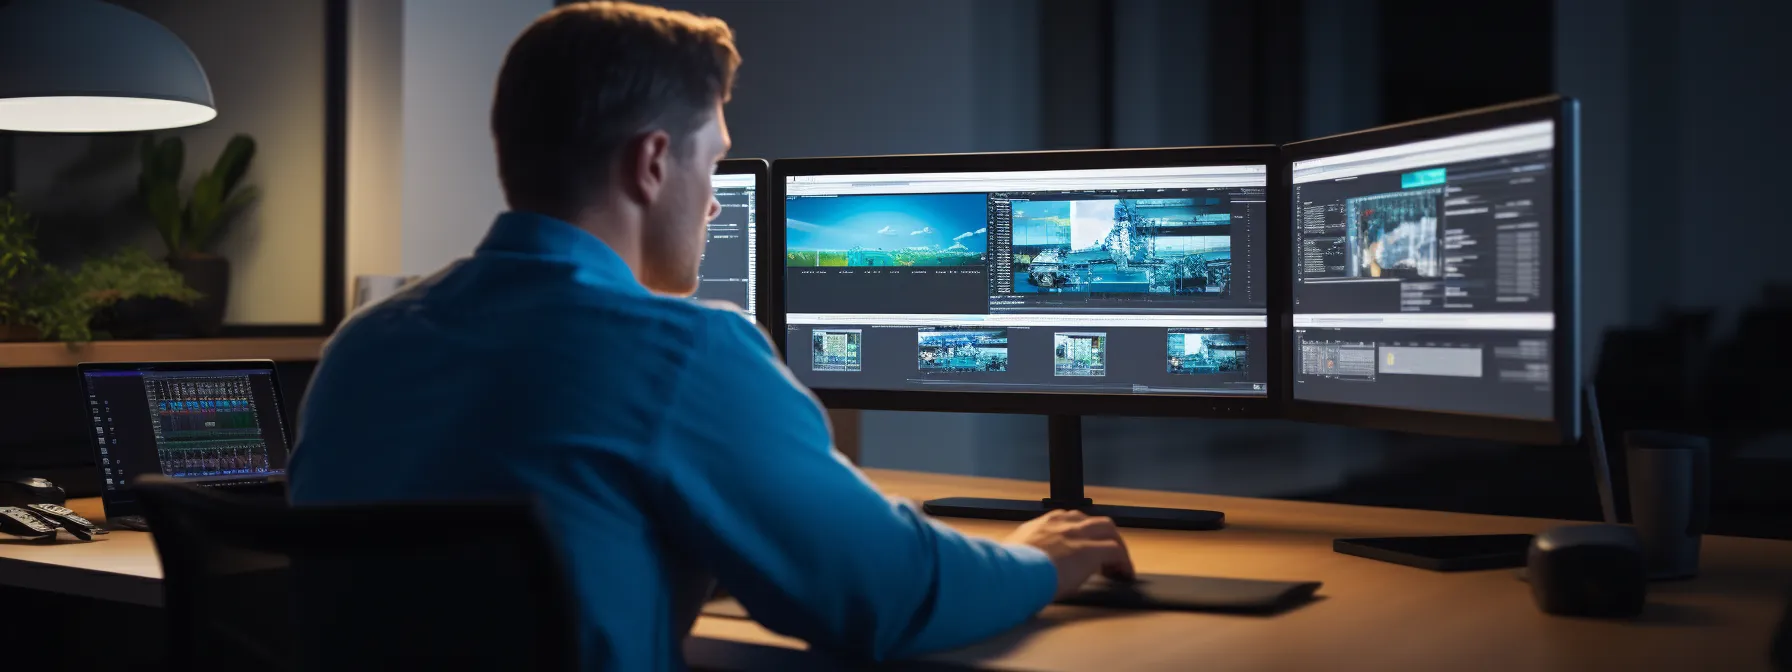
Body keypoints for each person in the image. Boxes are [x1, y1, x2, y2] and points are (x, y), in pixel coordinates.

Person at [289, 2, 1133, 668]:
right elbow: (886, 593)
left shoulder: (363, 345)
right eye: (716, 161)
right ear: (654, 163)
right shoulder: (683, 352)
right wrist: (1041, 559)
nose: (720, 198)